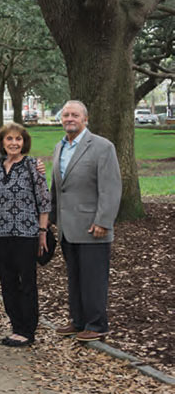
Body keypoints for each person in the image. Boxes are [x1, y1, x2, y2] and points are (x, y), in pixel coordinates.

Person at [50, 100, 121, 342]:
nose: (70, 118)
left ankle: (97, 324)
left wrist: (104, 221)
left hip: (93, 227)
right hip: (67, 227)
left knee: (93, 278)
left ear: (85, 119)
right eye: (66, 114)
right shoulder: (60, 147)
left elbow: (111, 188)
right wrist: (52, 218)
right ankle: (78, 320)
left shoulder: (102, 147)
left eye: (75, 115)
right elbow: (57, 188)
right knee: (75, 277)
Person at [0, 122, 51, 347]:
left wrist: (42, 232)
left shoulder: (32, 166)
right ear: (2, 142)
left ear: (24, 142)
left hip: (27, 234)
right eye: (9, 139)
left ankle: (28, 330)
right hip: (1, 233)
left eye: (18, 139)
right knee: (7, 282)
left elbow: (44, 201)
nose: (14, 143)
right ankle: (16, 326)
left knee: (27, 282)